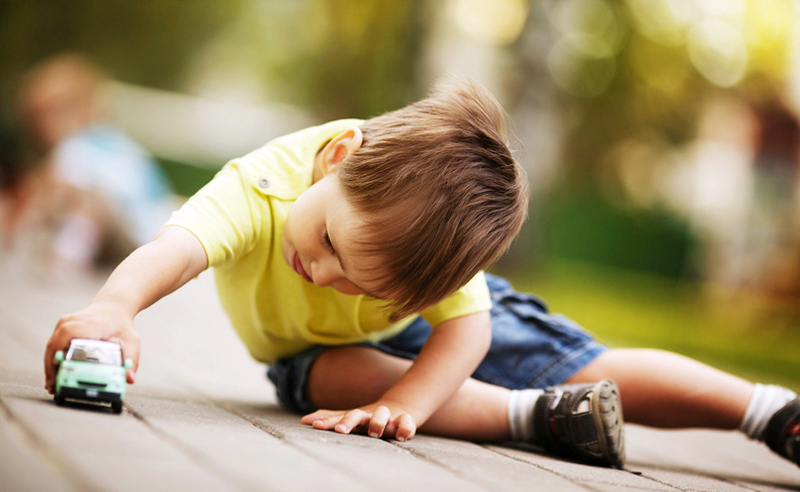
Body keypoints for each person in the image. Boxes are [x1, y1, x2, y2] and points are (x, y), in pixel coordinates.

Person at [43, 78, 799, 469]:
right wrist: (116, 307)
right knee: (335, 375)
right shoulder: (266, 184)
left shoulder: (422, 252)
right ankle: (541, 419)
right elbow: (178, 247)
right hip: (317, 355)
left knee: (588, 363)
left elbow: (467, 328)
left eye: (362, 283)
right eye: (333, 246)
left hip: (440, 332)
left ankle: (768, 412)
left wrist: (412, 397)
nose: (328, 279)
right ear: (337, 164)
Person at [11, 53, 175, 274]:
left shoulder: (73, 147)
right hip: (160, 236)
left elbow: (54, 191)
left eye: (54, 112)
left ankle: (68, 257)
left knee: (83, 202)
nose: (44, 126)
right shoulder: (114, 141)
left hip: (133, 232)